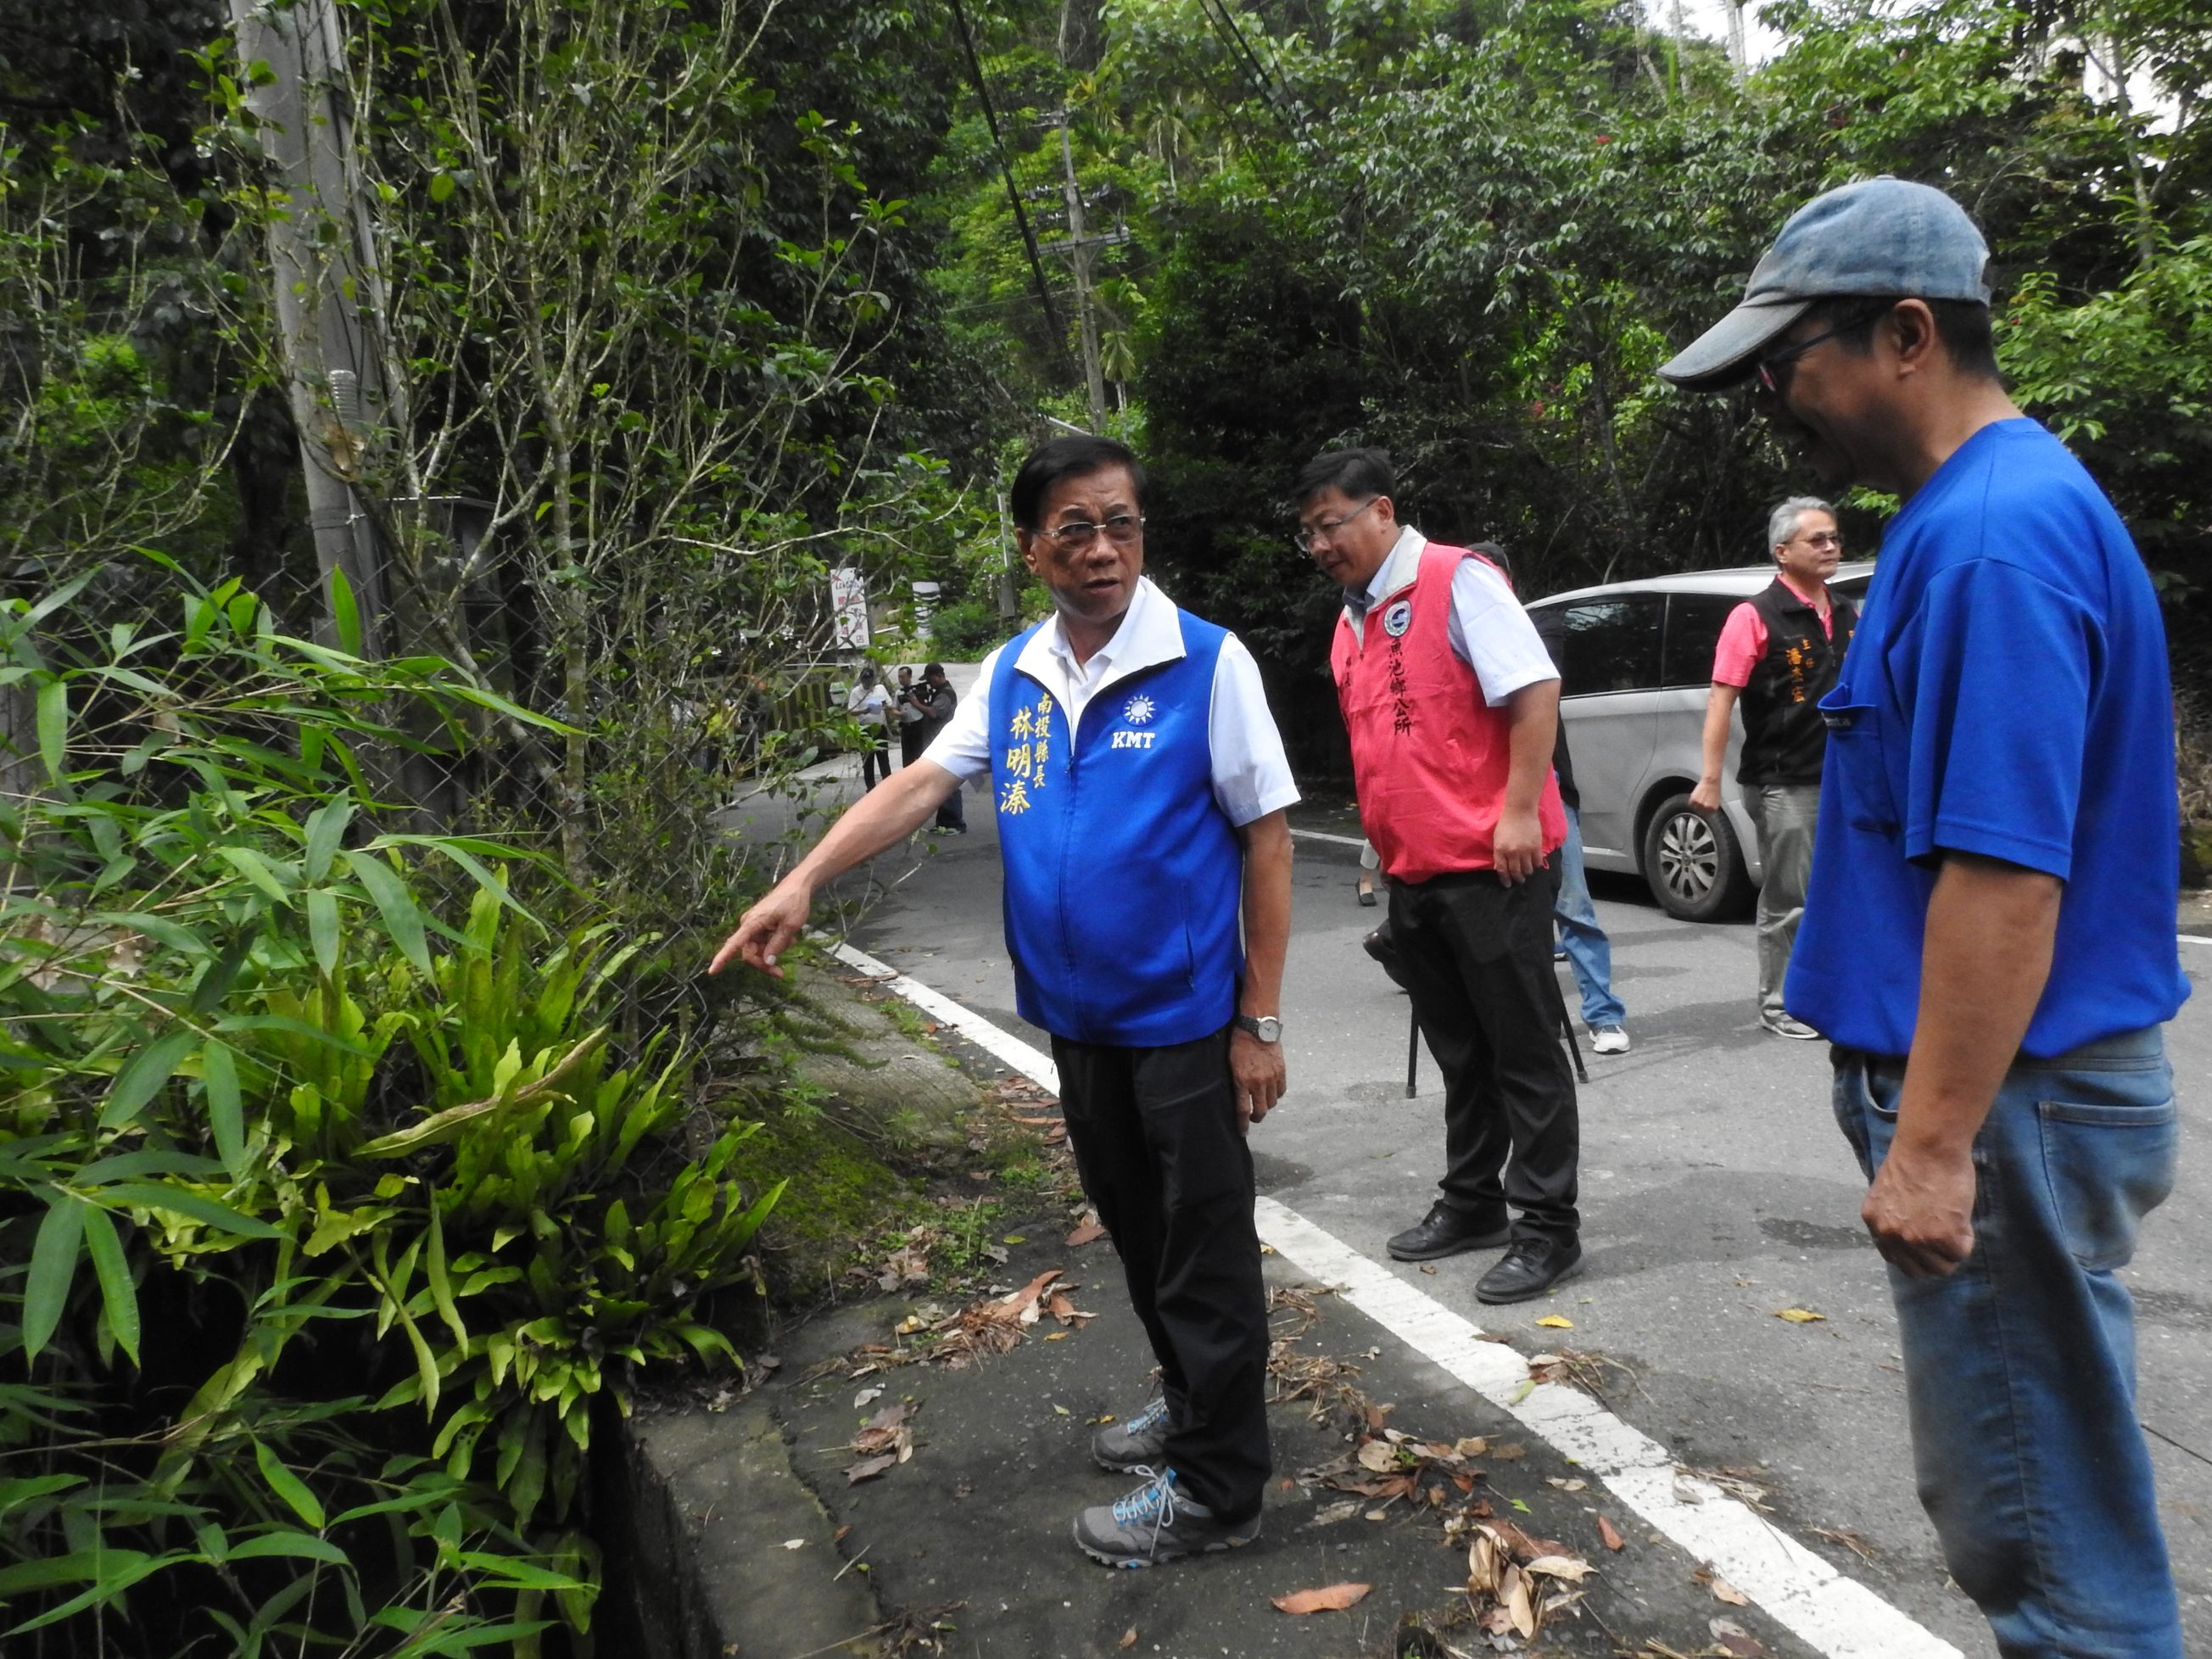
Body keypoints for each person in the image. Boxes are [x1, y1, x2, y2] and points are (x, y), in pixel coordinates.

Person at [1660, 176, 2190, 1658]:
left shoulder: (1989, 541)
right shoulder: (1972, 518)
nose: (1773, 401)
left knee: (2048, 1549)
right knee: (2037, 1502)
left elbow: (2006, 876)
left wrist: (1932, 1146)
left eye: (1788, 363)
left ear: (1904, 332)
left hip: (2009, 1107)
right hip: (2019, 1101)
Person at [712, 434, 1297, 1568]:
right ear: (1031, 549)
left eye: (1120, 523)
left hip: (1182, 1021)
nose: (1102, 549)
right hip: (1076, 1022)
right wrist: (801, 880)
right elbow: (923, 781)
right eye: (1073, 528)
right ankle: (1190, 1408)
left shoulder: (1208, 663)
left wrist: (1257, 1021)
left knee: (1204, 1251)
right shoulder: (1018, 672)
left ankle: (1224, 1491)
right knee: (1136, 1231)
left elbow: (1269, 839)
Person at [1297, 448, 1582, 1304]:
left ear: (1380, 511)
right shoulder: (1351, 620)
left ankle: (1547, 1229)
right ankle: (1473, 1203)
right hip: (1415, 868)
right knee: (1461, 1052)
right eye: (1305, 532)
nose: (1318, 544)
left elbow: (1534, 690)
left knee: (1523, 1052)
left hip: (1494, 862)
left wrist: (1521, 811)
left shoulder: (1459, 580)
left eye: (1329, 524)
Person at [1688, 498, 1858, 1040]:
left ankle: (1831, 995)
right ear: (1782, 552)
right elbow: (1721, 699)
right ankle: (1781, 1003)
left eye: (1834, 538)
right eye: (1817, 540)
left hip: (1845, 777)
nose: (1831, 547)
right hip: (1785, 781)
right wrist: (1710, 777)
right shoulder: (1753, 616)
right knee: (1791, 900)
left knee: (1840, 894)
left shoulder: (1849, 613)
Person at [911, 662, 967, 832]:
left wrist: (916, 703)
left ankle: (955, 823)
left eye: (930, 679)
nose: (929, 683)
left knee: (949, 784)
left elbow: (934, 713)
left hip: (945, 741)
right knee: (939, 784)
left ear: (938, 676)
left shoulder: (946, 694)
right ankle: (943, 822)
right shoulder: (939, 693)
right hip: (938, 741)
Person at [844, 663, 891, 789]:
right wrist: (864, 711)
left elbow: (889, 704)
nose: (867, 682)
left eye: (869, 680)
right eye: (865, 680)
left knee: (884, 759)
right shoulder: (856, 692)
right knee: (868, 761)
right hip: (865, 728)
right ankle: (871, 788)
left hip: (880, 727)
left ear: (873, 680)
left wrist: (882, 707)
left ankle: (889, 786)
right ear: (861, 679)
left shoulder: (880, 688)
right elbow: (851, 710)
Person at [892, 665, 927, 769]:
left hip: (918, 725)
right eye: (899, 677)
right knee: (907, 758)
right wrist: (899, 714)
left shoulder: (919, 690)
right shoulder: (899, 693)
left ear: (910, 676)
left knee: (920, 755)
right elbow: (894, 708)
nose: (901, 679)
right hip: (906, 726)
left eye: (903, 676)